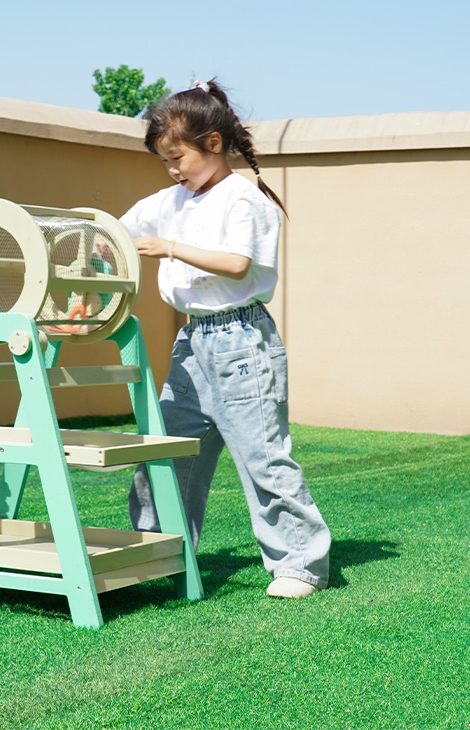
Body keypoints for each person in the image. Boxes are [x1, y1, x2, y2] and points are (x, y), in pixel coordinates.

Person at [120, 80, 330, 598]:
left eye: (178, 157)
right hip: (192, 344)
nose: (173, 170)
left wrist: (170, 247)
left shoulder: (243, 198)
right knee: (165, 450)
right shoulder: (170, 199)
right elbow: (114, 231)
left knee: (263, 457)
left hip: (242, 340)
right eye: (165, 161)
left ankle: (300, 565)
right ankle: (157, 550)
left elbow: (237, 265)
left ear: (213, 143)